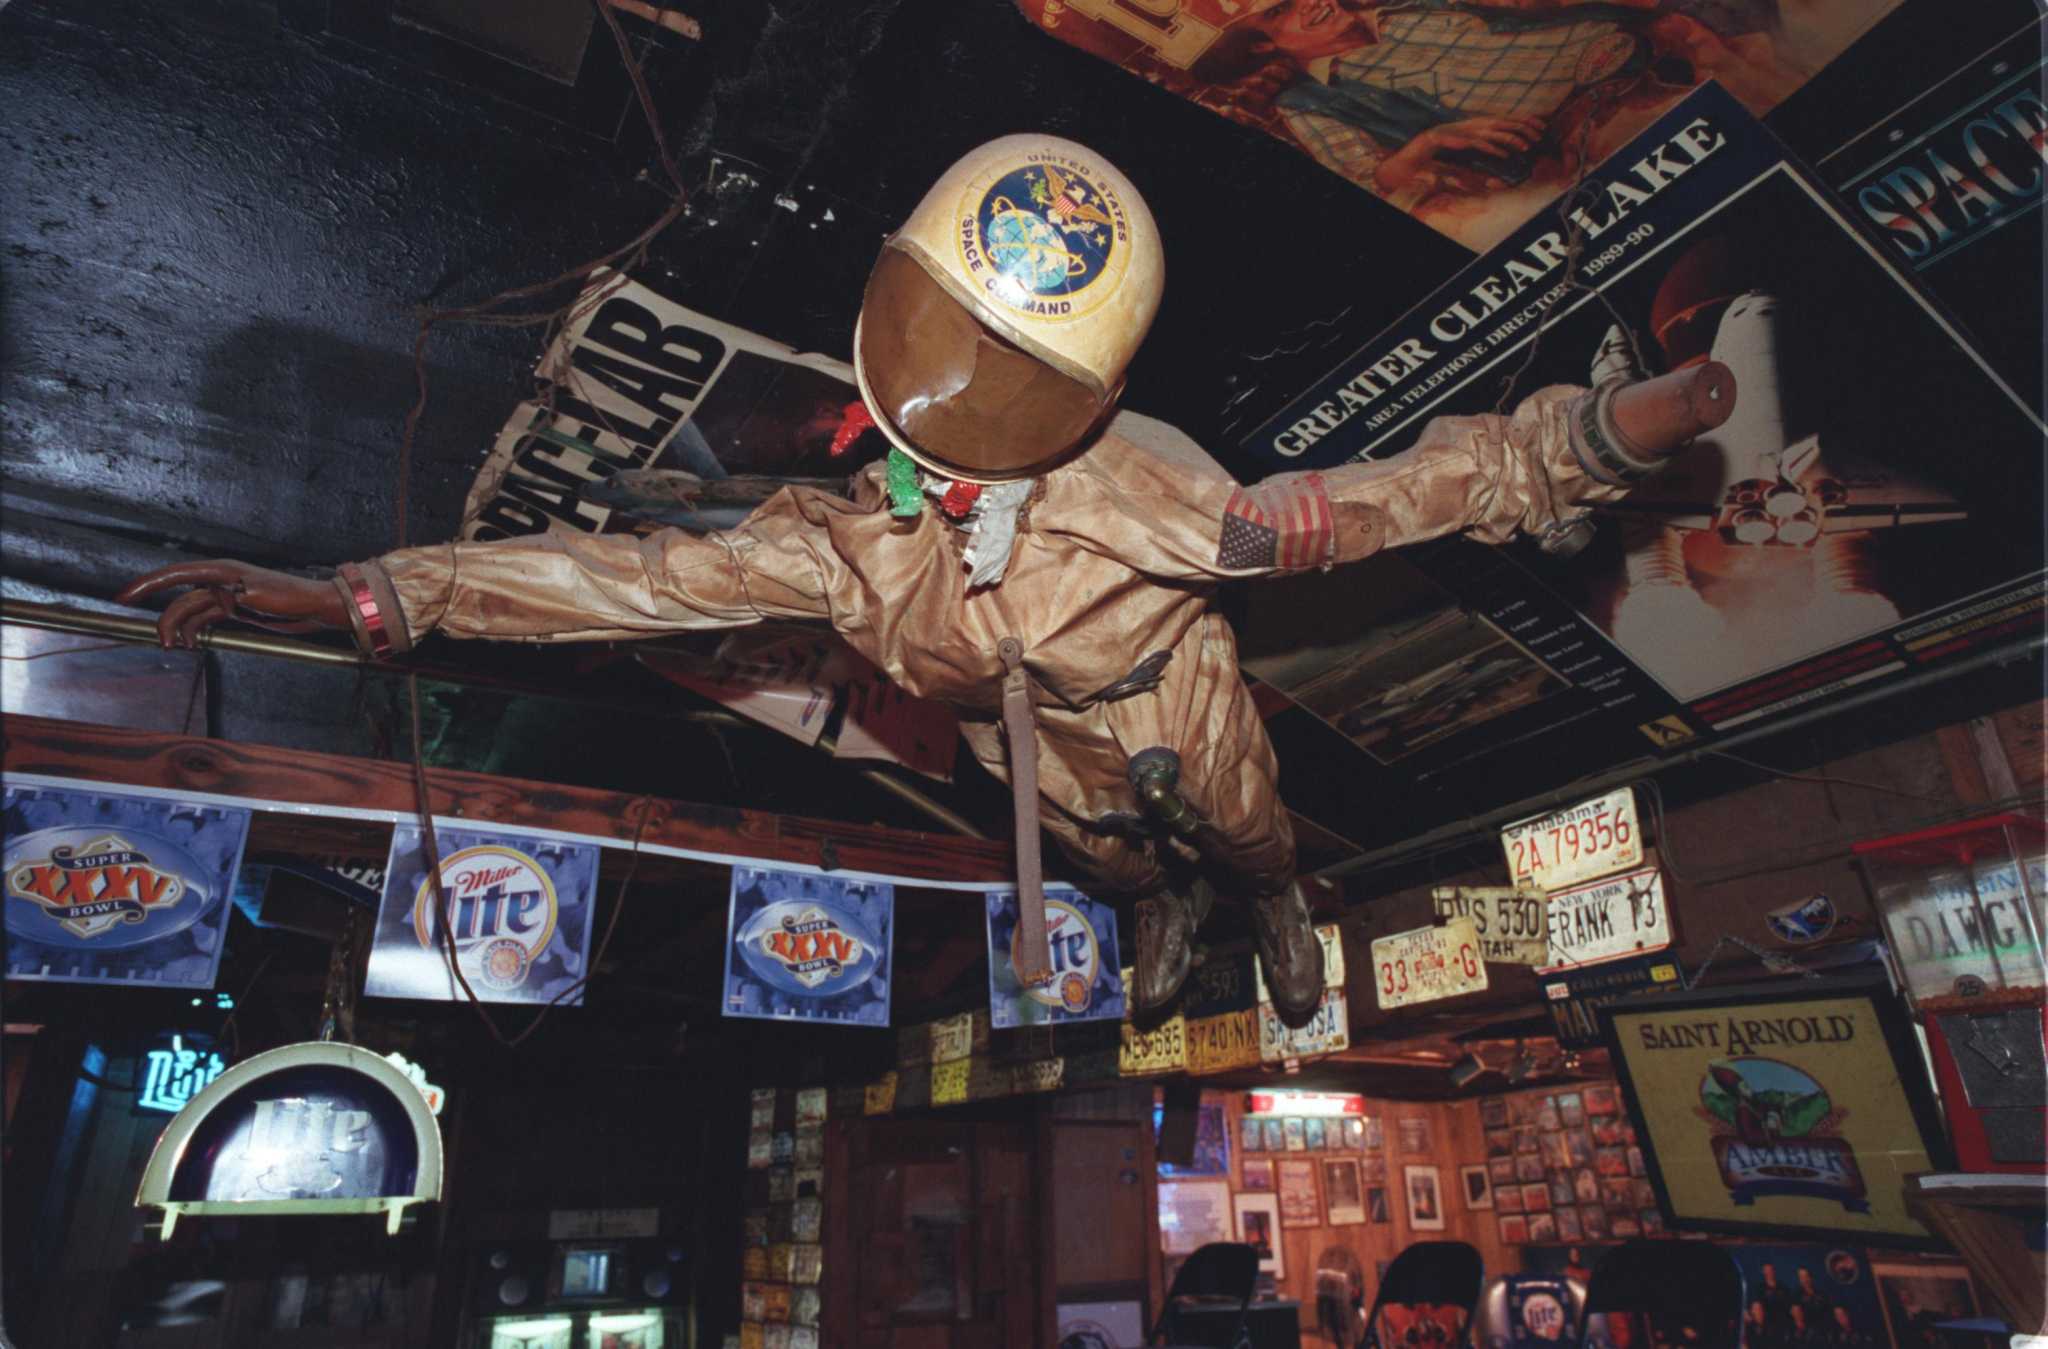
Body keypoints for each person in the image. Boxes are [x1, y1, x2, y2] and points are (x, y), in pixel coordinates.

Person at [117, 134, 1731, 1026]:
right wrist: (368, 597)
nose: (954, 422)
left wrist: (1596, 434)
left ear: (1078, 397)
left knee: (1243, 821)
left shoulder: (1167, 503)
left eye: (1008, 381)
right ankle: (1170, 907)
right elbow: (620, 578)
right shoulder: (840, 540)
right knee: (1113, 869)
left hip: (1166, 694)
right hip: (1033, 756)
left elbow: (1412, 493)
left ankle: (1271, 901)